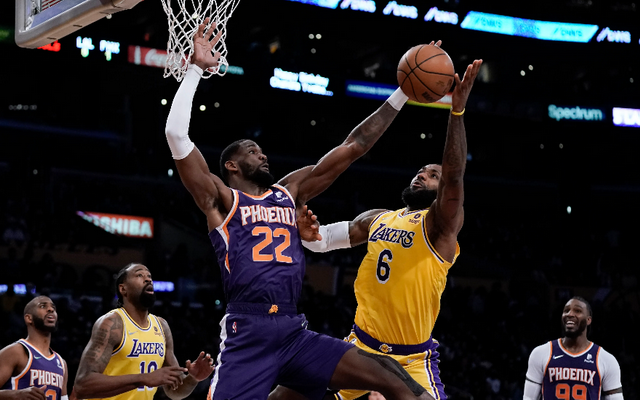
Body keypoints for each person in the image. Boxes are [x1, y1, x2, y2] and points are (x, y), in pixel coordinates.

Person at [164, 17, 441, 400]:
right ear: (231, 166)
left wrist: (401, 93)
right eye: (252, 151)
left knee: (391, 374)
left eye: (261, 150)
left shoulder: (288, 193)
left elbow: (354, 146)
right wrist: (195, 69)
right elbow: (176, 135)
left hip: (294, 330)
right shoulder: (222, 201)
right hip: (249, 331)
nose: (262, 154)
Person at [272, 57, 483, 400]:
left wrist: (456, 112)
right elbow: (323, 240)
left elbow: (454, 176)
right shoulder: (378, 218)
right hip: (360, 348)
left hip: (411, 358)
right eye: (421, 171)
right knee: (284, 396)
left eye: (432, 175)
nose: (422, 175)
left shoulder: (439, 226)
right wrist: (309, 235)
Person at [72, 263, 214, 400]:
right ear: (123, 289)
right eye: (139, 275)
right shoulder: (112, 324)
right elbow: (82, 385)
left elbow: (174, 391)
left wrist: (193, 378)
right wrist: (143, 378)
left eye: (149, 276)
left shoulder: (162, 326)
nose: (148, 279)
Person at [523, 297, 624, 400]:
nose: (570, 314)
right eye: (566, 310)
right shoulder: (541, 353)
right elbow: (528, 398)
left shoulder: (606, 359)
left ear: (588, 320)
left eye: (577, 311)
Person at [0, 296, 69, 400]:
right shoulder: (16, 352)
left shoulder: (61, 363)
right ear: (29, 318)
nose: (51, 309)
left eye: (53, 308)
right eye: (43, 306)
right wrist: (15, 394)